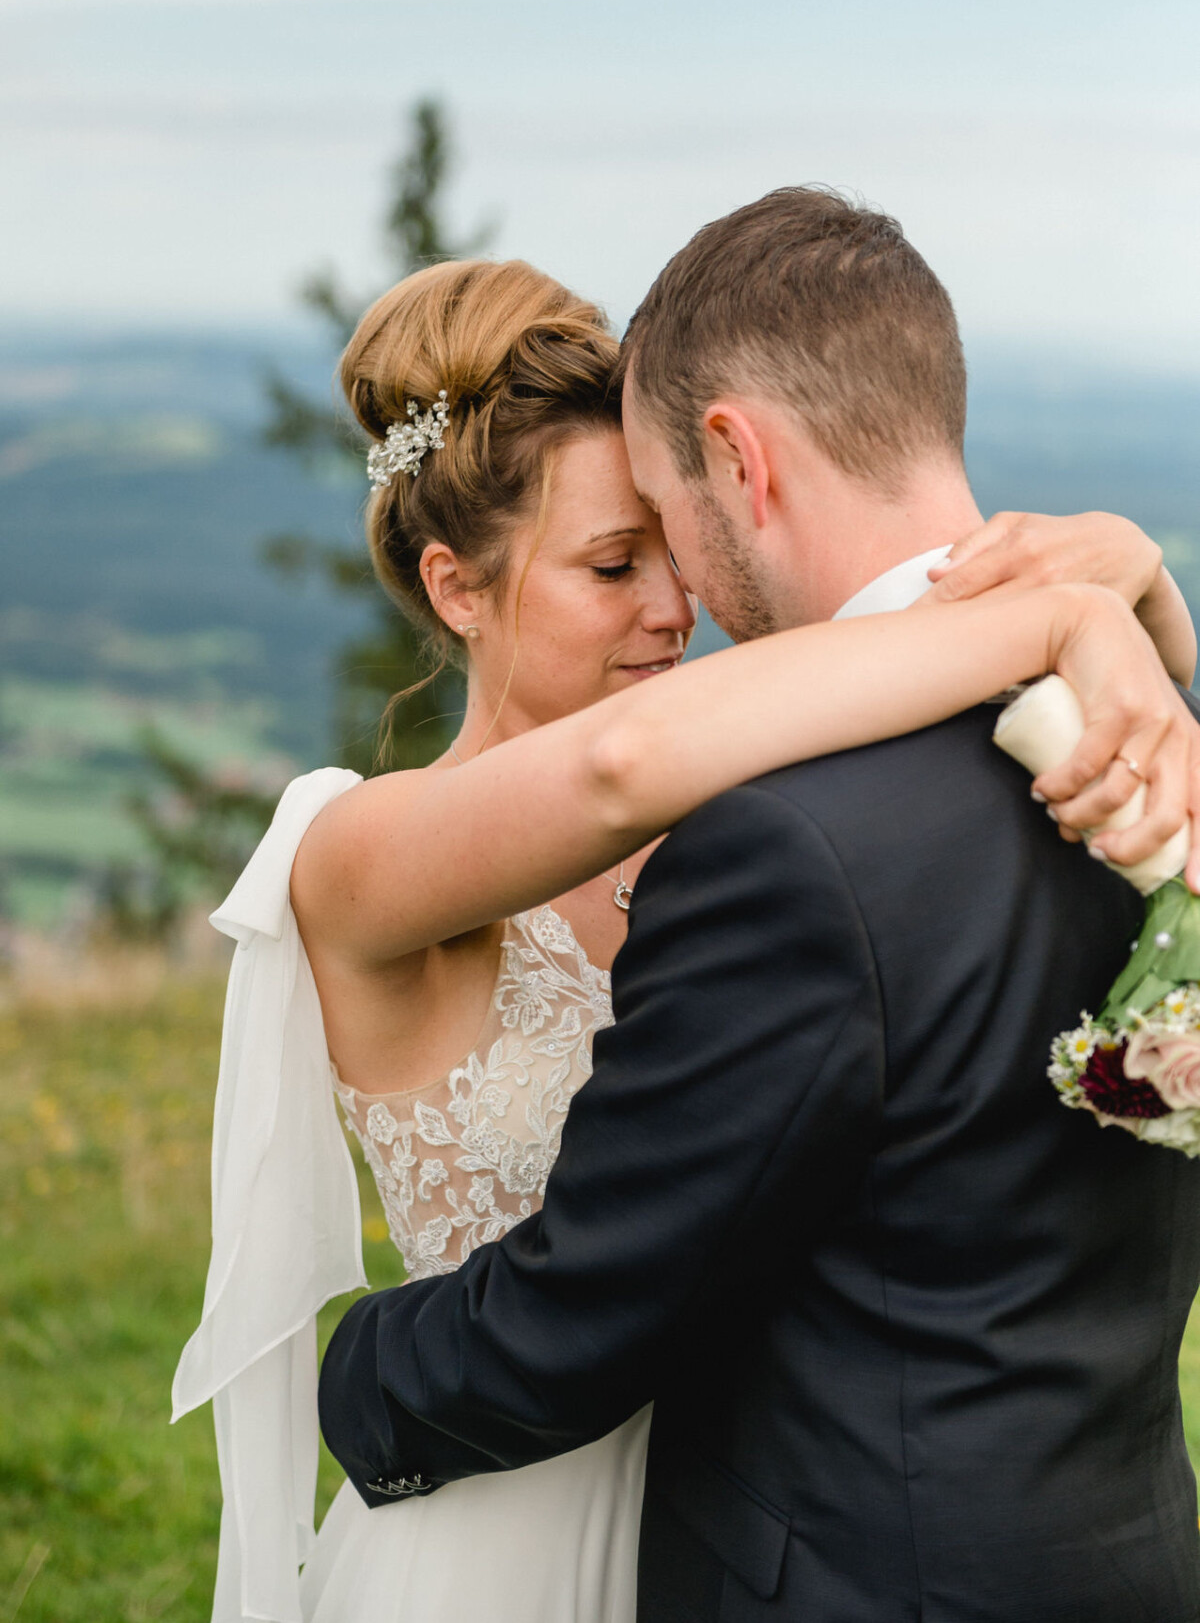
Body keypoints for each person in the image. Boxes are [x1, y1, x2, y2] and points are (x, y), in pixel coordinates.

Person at [311, 199, 1200, 1623]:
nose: (680, 605)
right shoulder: (1154, 747)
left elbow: (583, 1310)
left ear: (737, 459)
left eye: (665, 528)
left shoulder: (785, 841)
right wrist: (1112, 603)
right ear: (452, 585)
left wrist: (346, 1373)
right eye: (618, 560)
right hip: (1115, 1550)